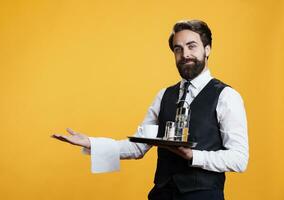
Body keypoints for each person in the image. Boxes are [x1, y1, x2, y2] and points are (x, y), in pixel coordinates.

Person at [52, 19, 249, 200]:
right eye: (178, 49)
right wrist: (91, 143)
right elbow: (138, 146)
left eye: (192, 46)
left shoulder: (226, 96)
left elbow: (239, 159)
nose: (185, 54)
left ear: (207, 49)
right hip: (161, 194)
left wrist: (194, 156)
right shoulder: (164, 95)